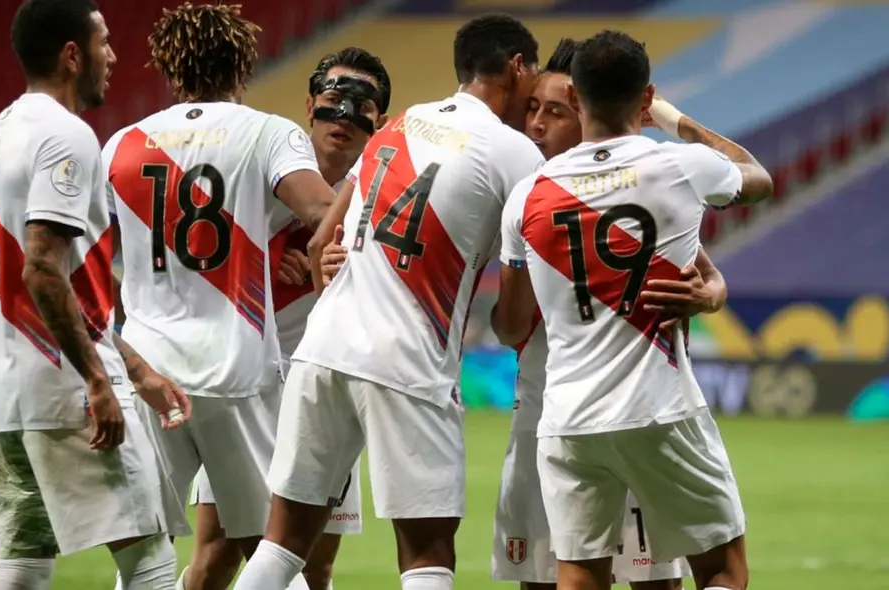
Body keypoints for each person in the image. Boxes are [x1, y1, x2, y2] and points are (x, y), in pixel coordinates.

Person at [232, 14, 546, 590]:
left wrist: (341, 296)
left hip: (323, 349)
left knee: (282, 544)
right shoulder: (515, 152)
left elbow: (322, 240)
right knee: (427, 552)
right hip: (407, 360)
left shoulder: (401, 122)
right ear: (517, 67)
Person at [494, 30, 773, 590]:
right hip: (658, 409)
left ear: (576, 98)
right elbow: (758, 177)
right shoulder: (681, 166)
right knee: (722, 569)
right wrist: (674, 119)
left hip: (567, 417)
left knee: (579, 576)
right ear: (644, 98)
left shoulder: (527, 195)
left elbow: (511, 321)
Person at [101, 3, 335, 589]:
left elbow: (89, 264)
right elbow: (321, 210)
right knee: (274, 551)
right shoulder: (269, 133)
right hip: (237, 373)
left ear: (169, 66)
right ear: (243, 64)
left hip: (150, 373)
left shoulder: (122, 145)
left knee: (146, 557)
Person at [0, 1, 191, 588]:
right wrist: (98, 379)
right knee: (150, 559)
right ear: (72, 55)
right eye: (104, 43)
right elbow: (43, 270)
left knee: (22, 562)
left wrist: (135, 367)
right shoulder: (66, 136)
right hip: (67, 390)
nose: (112, 56)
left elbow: (67, 278)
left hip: (6, 395)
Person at [185, 46, 392, 590]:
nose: (344, 115)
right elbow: (202, 256)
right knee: (216, 554)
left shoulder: (383, 194)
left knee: (314, 562)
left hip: (327, 389)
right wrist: (265, 260)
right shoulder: (257, 171)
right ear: (308, 105)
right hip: (246, 386)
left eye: (362, 105)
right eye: (333, 98)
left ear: (381, 121)